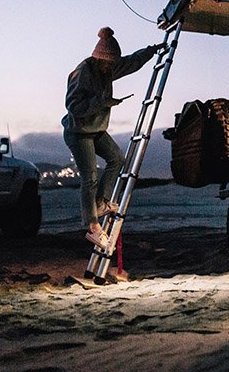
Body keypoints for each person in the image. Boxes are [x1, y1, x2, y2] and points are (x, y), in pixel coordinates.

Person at [62, 27, 164, 250]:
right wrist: (101, 103)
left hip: (96, 129)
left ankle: (101, 203)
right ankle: (93, 227)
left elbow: (130, 62)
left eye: (112, 65)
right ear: (99, 58)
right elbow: (73, 107)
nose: (110, 68)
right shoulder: (83, 73)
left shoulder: (107, 68)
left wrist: (151, 51)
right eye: (108, 64)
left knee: (117, 159)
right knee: (90, 176)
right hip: (78, 131)